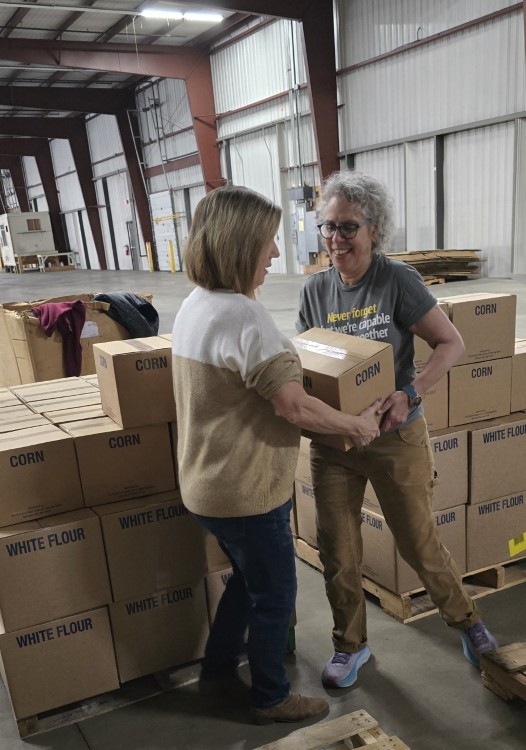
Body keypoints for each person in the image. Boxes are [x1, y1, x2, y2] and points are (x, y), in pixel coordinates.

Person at [171, 185, 381, 724]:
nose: (274, 254)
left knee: (245, 580)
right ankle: (270, 697)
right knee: (274, 595)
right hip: (244, 492)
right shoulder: (246, 318)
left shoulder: (195, 306)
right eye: (267, 242)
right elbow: (295, 408)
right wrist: (354, 425)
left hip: (203, 485)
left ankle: (220, 665)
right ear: (240, 245)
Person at [296, 170, 499, 689]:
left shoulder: (397, 280)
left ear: (374, 229)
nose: (336, 240)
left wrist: (410, 392)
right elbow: (311, 361)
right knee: (338, 550)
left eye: (348, 228)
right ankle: (350, 646)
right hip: (337, 444)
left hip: (395, 436)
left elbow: (450, 344)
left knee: (417, 542)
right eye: (327, 228)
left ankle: (467, 623)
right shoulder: (315, 291)